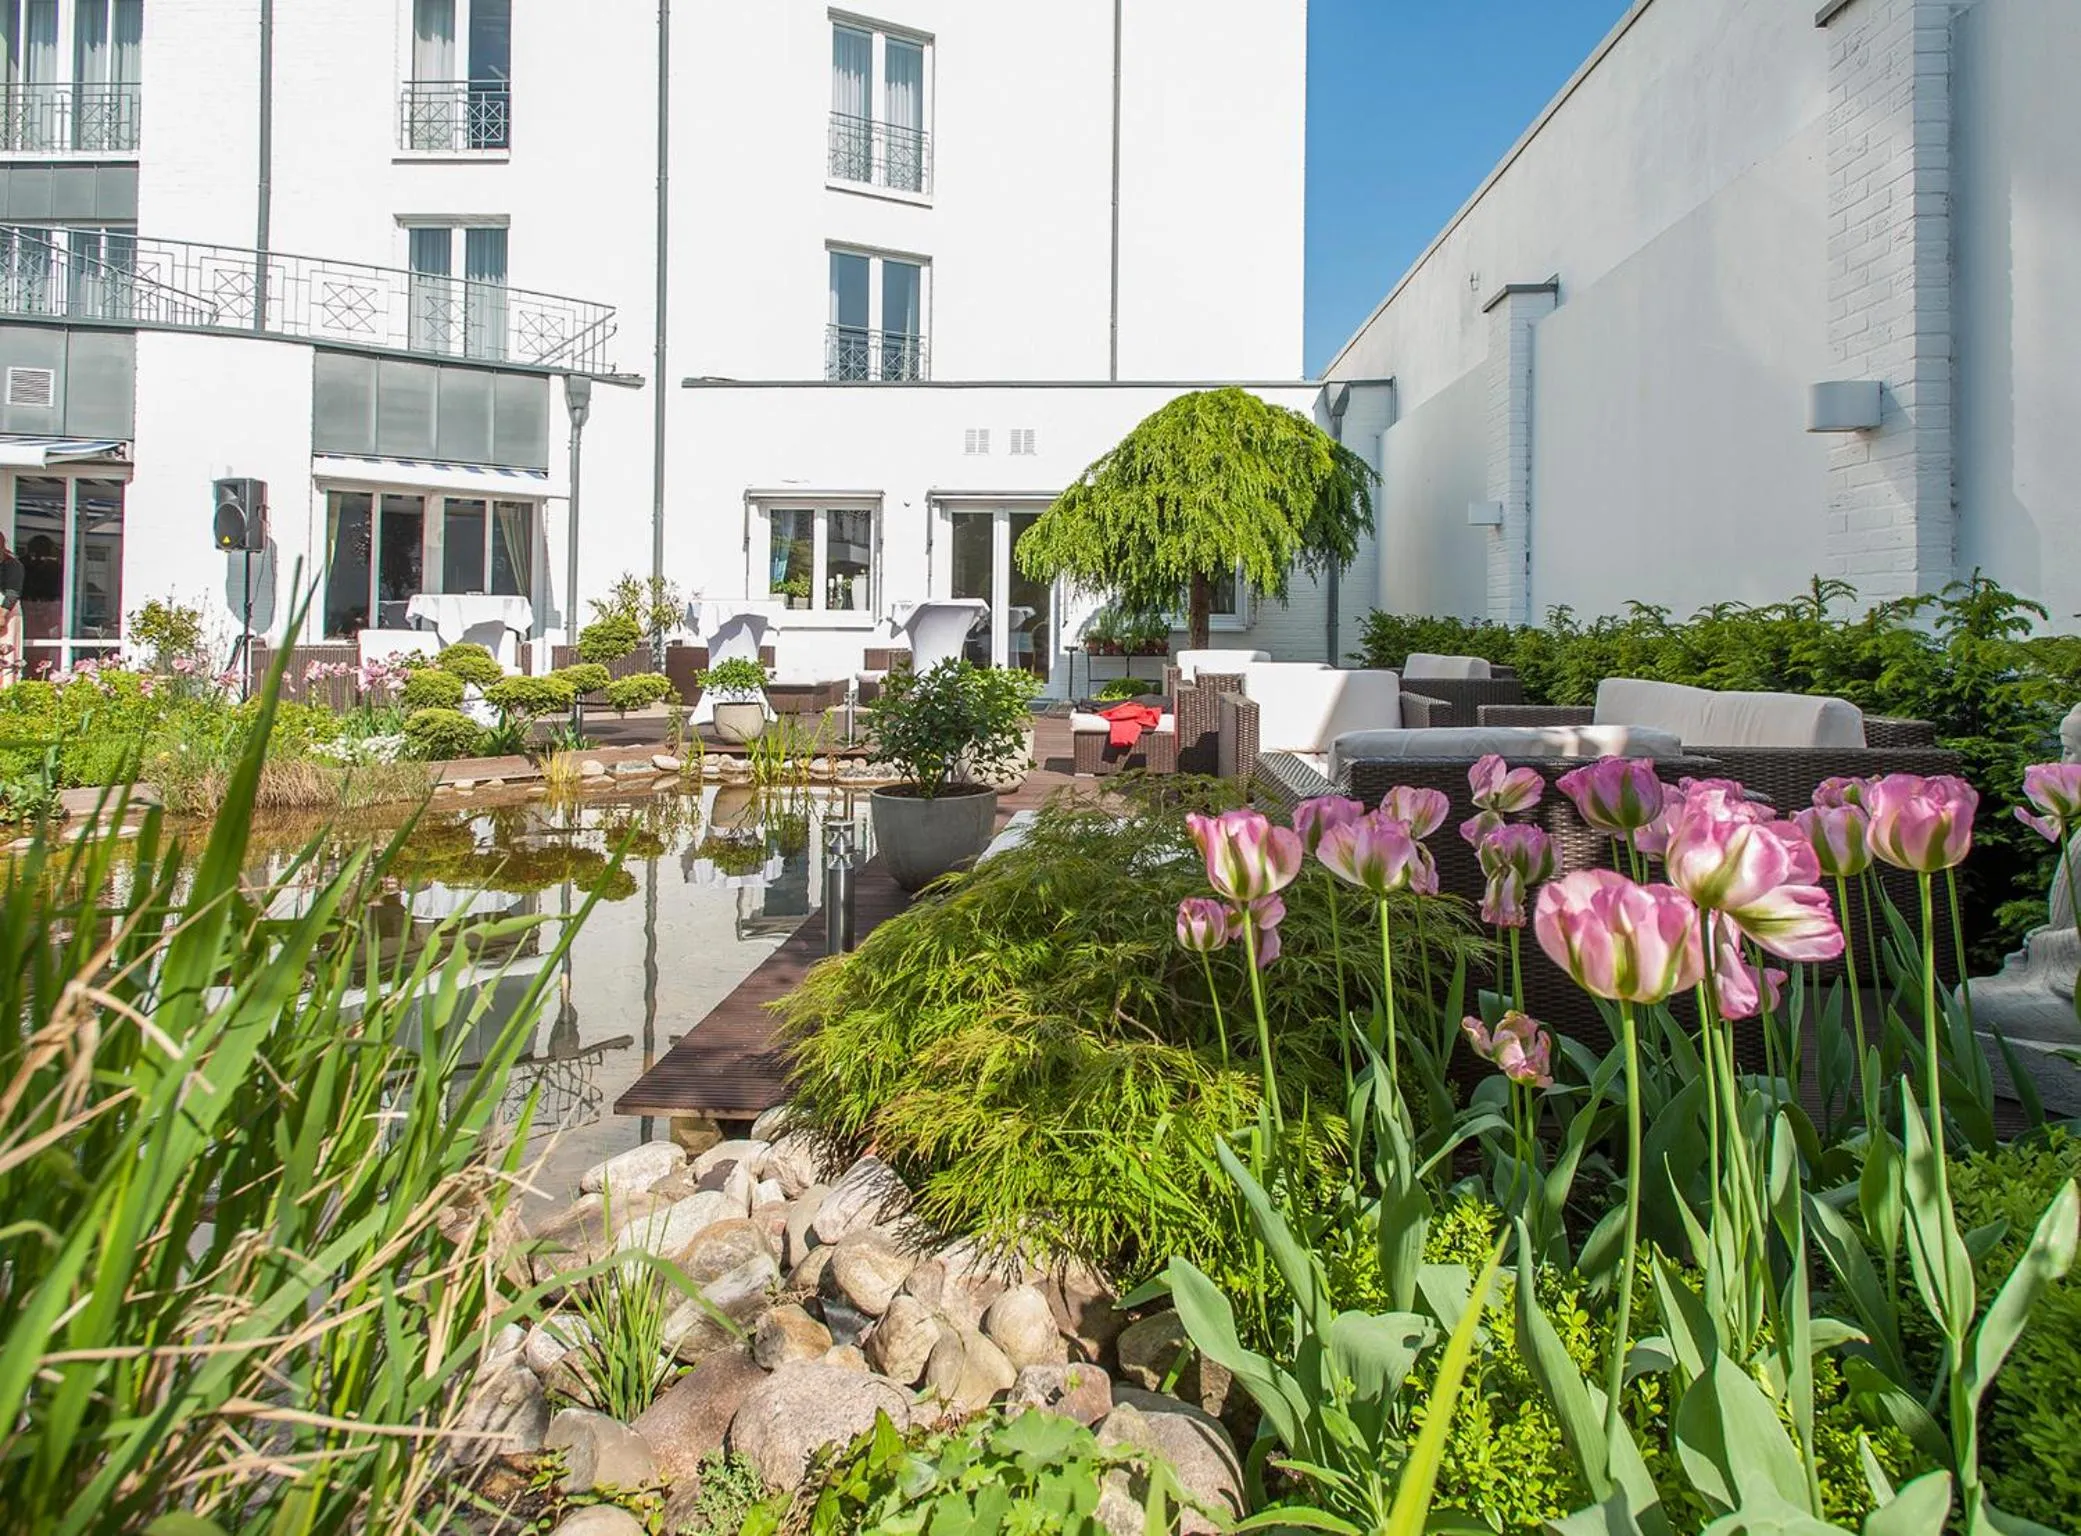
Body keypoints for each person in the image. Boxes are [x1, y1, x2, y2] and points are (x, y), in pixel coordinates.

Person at [0, 530, 24, 686]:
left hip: (6, 609)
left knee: (6, 654)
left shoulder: (13, 565)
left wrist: (2, 613)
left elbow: (12, 592)